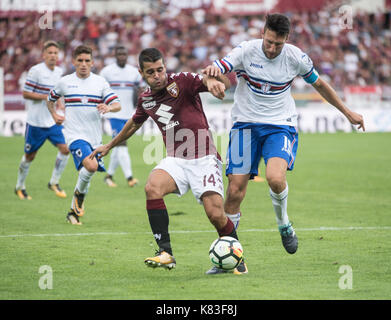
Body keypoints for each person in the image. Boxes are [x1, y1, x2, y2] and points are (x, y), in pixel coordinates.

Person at [203, 13, 365, 267]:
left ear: (286, 39)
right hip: (245, 126)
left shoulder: (295, 57)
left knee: (276, 179)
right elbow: (218, 69)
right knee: (234, 191)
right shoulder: (246, 51)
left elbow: (320, 85)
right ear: (263, 33)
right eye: (268, 41)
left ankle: (284, 224)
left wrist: (347, 113)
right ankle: (232, 254)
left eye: (278, 44)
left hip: (280, 126)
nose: (271, 48)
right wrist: (212, 77)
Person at [90, 48, 245, 273]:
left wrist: (216, 80)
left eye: (160, 69)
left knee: (215, 215)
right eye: (151, 72)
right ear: (142, 73)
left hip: (204, 158)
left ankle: (237, 258)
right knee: (152, 187)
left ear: (165, 67)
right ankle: (165, 252)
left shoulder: (182, 81)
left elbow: (216, 82)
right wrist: (109, 145)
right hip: (176, 160)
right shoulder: (146, 99)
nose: (157, 75)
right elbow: (134, 123)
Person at [47, 45, 121, 225]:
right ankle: (78, 198)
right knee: (91, 166)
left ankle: (73, 211)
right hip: (74, 135)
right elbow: (50, 100)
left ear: (93, 63)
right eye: (79, 60)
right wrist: (55, 114)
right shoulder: (64, 82)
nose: (83, 64)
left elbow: (117, 104)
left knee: (87, 172)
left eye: (87, 61)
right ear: (73, 62)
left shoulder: (100, 82)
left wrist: (108, 107)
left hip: (94, 138)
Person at [15, 40, 70, 200]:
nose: (53, 55)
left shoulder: (59, 71)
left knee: (65, 149)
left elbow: (57, 93)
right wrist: (47, 97)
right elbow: (26, 93)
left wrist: (59, 102)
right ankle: (20, 186)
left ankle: (54, 182)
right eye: (50, 53)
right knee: (30, 156)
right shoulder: (36, 71)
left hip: (52, 122)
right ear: (44, 55)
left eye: (55, 53)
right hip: (36, 123)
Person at [99, 45, 144, 188]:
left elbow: (141, 88)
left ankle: (109, 176)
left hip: (129, 113)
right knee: (121, 143)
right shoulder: (107, 72)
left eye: (124, 54)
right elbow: (99, 88)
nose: (122, 56)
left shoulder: (133, 72)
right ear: (115, 55)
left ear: (127, 54)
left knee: (117, 145)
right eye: (119, 54)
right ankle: (130, 178)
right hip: (114, 113)